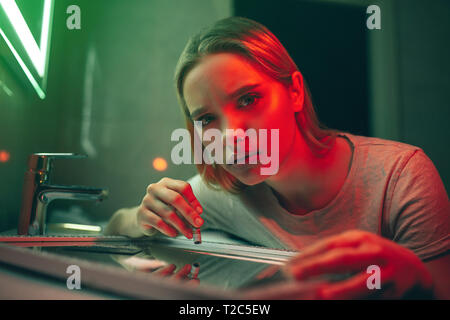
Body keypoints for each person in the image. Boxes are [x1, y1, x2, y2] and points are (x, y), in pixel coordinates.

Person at [105, 16, 450, 299]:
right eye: (207, 119)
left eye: (248, 100)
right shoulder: (223, 193)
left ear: (295, 91)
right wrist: (143, 216)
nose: (231, 137)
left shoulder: (401, 177)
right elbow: (113, 230)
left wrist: (418, 283)